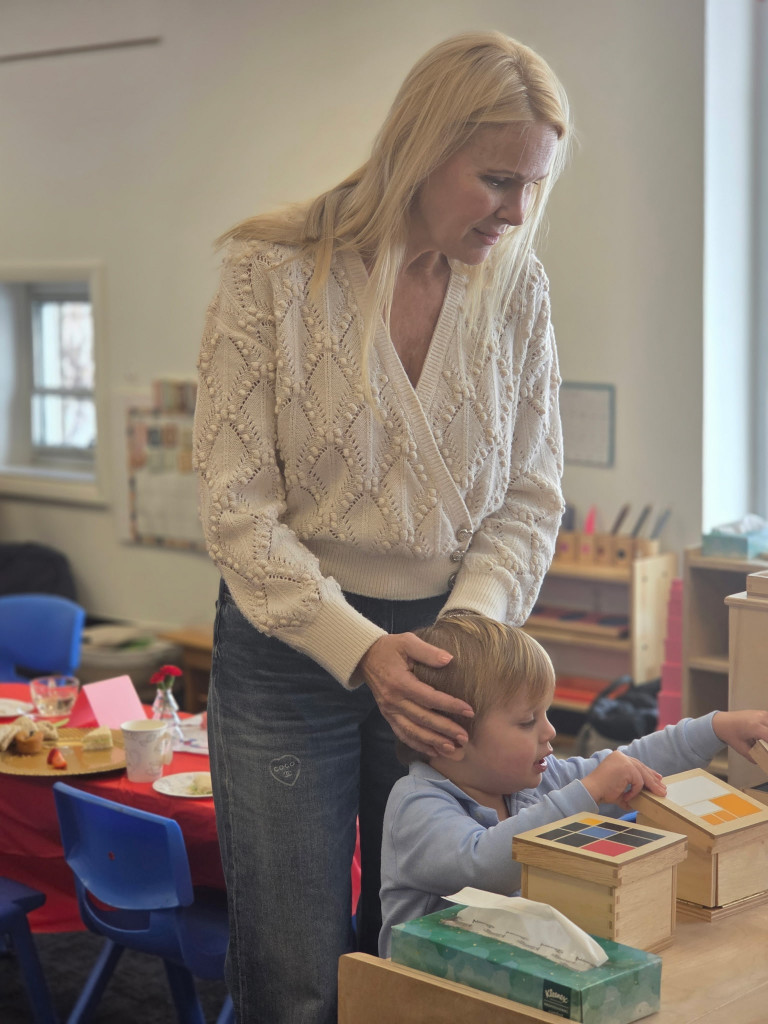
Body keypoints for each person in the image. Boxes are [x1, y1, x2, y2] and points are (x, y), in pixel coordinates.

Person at [193, 30, 572, 1024]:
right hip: (291, 647)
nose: (516, 211)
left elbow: (531, 495)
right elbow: (235, 506)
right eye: (496, 179)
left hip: (450, 655)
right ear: (422, 145)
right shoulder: (271, 272)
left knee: (428, 951)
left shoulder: (518, 289)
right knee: (296, 974)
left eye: (533, 185)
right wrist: (360, 649)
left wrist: (462, 637)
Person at [379, 612, 768, 955]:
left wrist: (713, 728)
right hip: (425, 992)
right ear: (449, 738)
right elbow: (481, 866)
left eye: (545, 714)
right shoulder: (416, 805)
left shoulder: (532, 780)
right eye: (527, 721)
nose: (550, 731)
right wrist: (590, 792)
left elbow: (629, 765)